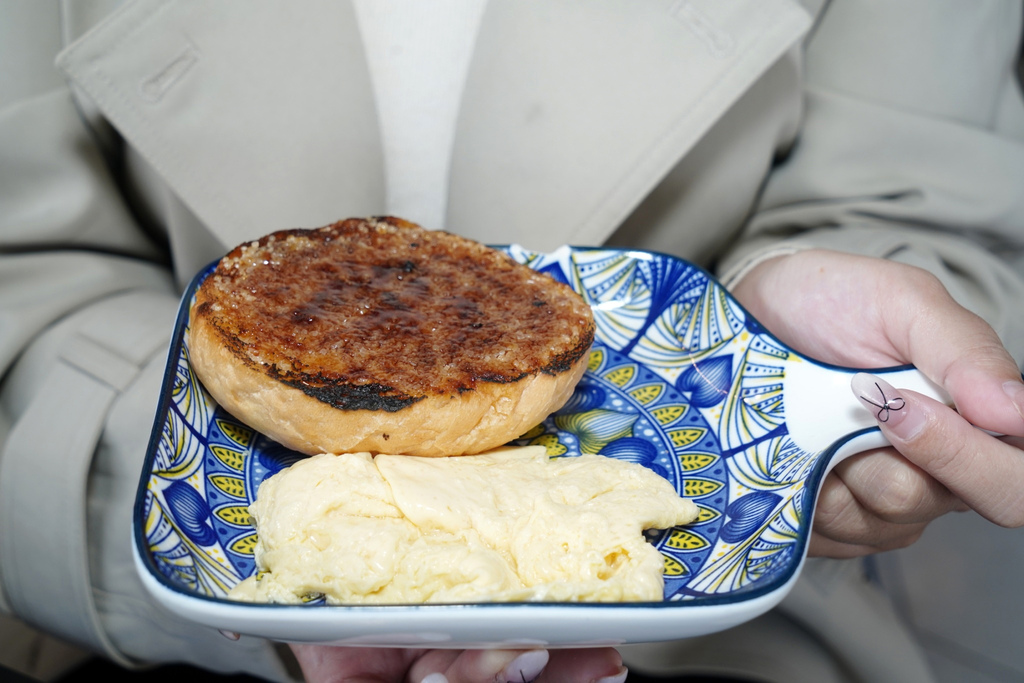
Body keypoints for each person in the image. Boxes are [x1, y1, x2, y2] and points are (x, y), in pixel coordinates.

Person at [2, 1, 1023, 682]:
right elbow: (25, 260)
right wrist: (291, 560)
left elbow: (926, 192)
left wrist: (799, 370)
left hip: (733, 626)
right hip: (181, 635)